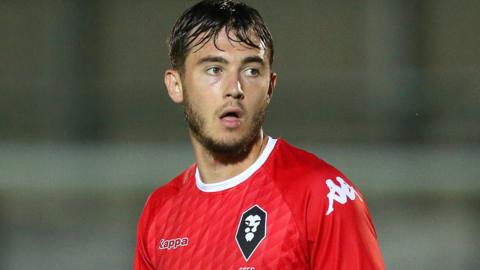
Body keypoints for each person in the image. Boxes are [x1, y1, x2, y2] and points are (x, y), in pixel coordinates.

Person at [134, 0, 385, 269]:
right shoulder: (160, 211)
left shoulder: (321, 196)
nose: (235, 88)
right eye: (214, 70)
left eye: (251, 71)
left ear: (270, 87)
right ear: (176, 85)